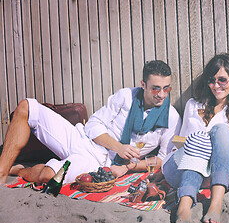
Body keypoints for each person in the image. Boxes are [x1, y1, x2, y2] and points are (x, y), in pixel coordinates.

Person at [0, 60, 182, 185]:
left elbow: (163, 159)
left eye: (166, 88)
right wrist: (119, 147)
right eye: (155, 88)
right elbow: (93, 125)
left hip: (96, 162)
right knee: (27, 107)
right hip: (82, 140)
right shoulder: (126, 96)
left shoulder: (171, 117)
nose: (162, 94)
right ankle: (1, 174)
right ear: (143, 84)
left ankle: (18, 171)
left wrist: (127, 167)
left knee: (49, 176)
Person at [162, 53, 229, 223]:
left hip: (213, 175)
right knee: (199, 139)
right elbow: (181, 143)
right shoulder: (193, 104)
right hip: (180, 169)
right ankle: (184, 204)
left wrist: (215, 161)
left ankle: (215, 203)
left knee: (221, 130)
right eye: (211, 80)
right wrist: (200, 152)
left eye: (222, 80)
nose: (216, 86)